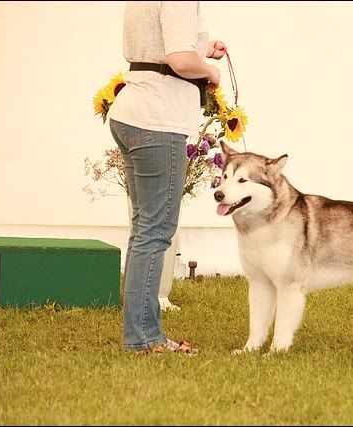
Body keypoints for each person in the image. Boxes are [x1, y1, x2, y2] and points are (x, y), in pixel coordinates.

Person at [108, 1, 226, 354]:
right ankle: (144, 339)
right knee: (156, 231)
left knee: (144, 229)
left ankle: (140, 334)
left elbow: (158, 44)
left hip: (133, 112)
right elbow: (179, 60)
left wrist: (202, 47)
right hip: (158, 118)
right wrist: (210, 71)